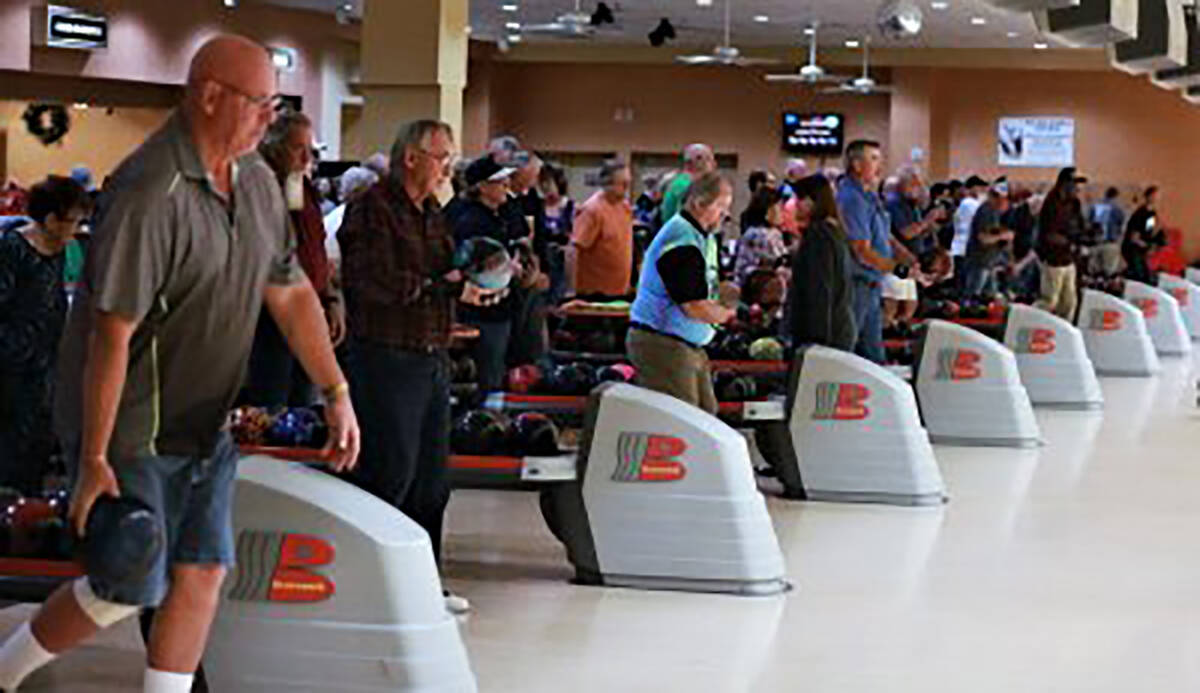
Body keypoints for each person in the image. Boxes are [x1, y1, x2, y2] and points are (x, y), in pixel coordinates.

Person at [0, 36, 360, 693]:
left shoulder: (254, 181)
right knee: (127, 580)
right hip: (132, 423)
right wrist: (93, 459)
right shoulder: (148, 189)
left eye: (274, 106)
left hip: (205, 419)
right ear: (210, 95)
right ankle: (6, 669)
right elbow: (111, 334)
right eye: (258, 103)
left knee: (203, 571)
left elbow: (290, 290)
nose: (266, 118)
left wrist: (335, 388)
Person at [337, 119, 470, 615]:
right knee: (390, 473)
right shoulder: (371, 209)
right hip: (385, 357)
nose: (447, 166)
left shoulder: (432, 211)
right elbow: (376, 283)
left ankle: (422, 584)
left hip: (431, 355)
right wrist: (444, 284)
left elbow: (442, 272)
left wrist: (467, 282)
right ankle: (373, 584)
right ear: (411, 157)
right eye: (442, 156)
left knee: (431, 481)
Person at [243, 108, 345, 407]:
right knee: (270, 404)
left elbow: (316, 251)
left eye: (309, 150)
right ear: (274, 148)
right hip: (271, 320)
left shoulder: (305, 190)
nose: (306, 159)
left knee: (304, 404)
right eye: (297, 149)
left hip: (310, 313)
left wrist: (330, 299)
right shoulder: (257, 189)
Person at [0, 176, 90, 494]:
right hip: (13, 372)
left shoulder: (64, 251)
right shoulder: (12, 249)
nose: (78, 228)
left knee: (39, 450)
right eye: (74, 221)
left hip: (48, 368)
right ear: (51, 220)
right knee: (11, 454)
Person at [628, 172, 735, 414]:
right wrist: (727, 316)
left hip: (685, 345)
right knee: (686, 424)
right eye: (721, 206)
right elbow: (693, 306)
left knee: (707, 416)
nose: (725, 215)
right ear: (699, 203)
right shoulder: (680, 238)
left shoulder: (702, 236)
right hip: (662, 343)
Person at [837, 140, 915, 364]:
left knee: (874, 357)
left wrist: (911, 260)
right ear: (856, 165)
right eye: (873, 158)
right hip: (856, 286)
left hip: (871, 286)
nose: (879, 165)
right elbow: (861, 250)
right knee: (848, 353)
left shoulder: (869, 197)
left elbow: (885, 237)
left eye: (879, 158)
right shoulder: (852, 199)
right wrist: (900, 270)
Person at [446, 156, 520, 392]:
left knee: (496, 370)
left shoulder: (498, 217)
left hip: (501, 307)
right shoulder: (472, 222)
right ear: (482, 187)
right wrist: (507, 268)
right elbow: (468, 266)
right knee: (487, 376)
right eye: (500, 181)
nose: (506, 185)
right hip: (482, 312)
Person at [785, 174, 857, 352]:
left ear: (814, 202)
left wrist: (816, 341)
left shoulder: (819, 235)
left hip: (826, 334)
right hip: (839, 327)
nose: (796, 205)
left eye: (800, 199)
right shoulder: (835, 231)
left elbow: (819, 287)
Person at [571, 158, 634, 300]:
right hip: (594, 294)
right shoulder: (592, 210)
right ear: (608, 184)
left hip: (621, 291)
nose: (626, 188)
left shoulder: (625, 208)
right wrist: (572, 291)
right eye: (623, 184)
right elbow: (575, 249)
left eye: (628, 183)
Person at [1037, 167, 1089, 320]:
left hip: (1068, 259)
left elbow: (1080, 227)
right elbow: (1049, 236)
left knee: (1069, 303)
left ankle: (1061, 333)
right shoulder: (1052, 203)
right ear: (1064, 184)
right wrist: (1070, 242)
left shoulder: (1074, 203)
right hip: (1053, 260)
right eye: (1075, 184)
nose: (1078, 188)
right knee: (1050, 301)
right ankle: (1030, 321)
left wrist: (1086, 236)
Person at [734, 186, 787, 287]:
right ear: (767, 211)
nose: (782, 212)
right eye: (779, 207)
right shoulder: (757, 234)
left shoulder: (775, 233)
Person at [539, 163, 574, 302]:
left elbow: (575, 235)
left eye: (549, 182)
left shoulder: (570, 206)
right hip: (544, 260)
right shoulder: (538, 206)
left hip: (562, 261)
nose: (546, 187)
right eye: (542, 183)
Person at [659, 143, 716, 223]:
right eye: (709, 160)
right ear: (699, 160)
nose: (713, 165)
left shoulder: (679, 182)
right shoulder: (684, 186)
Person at [1123, 185, 1165, 284]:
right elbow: (1134, 237)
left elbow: (1148, 230)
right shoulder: (1140, 213)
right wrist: (1146, 245)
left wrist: (1154, 240)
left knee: (1147, 276)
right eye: (1155, 195)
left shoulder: (1152, 213)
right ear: (1149, 196)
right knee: (1140, 275)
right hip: (1132, 248)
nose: (1157, 198)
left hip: (1141, 248)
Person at [1089, 186, 1126, 278]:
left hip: (1096, 243)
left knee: (1095, 273)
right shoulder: (1118, 210)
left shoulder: (1096, 207)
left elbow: (1090, 224)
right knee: (1109, 274)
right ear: (1116, 197)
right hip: (1110, 244)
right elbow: (1120, 227)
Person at [950, 175, 989, 262]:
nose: (982, 191)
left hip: (961, 248)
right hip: (964, 248)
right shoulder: (969, 203)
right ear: (974, 188)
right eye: (980, 188)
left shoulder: (965, 203)